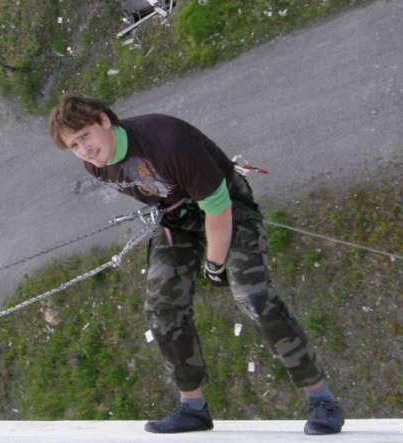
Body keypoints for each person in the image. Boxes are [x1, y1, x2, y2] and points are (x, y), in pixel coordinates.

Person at [47, 93, 344, 435]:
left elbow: (218, 208)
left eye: (85, 136)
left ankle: (322, 400)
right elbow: (153, 189)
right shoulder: (97, 165)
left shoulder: (169, 143)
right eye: (73, 145)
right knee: (162, 307)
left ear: (104, 120)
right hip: (178, 219)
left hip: (227, 209)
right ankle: (193, 408)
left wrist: (214, 264)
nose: (84, 150)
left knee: (254, 297)